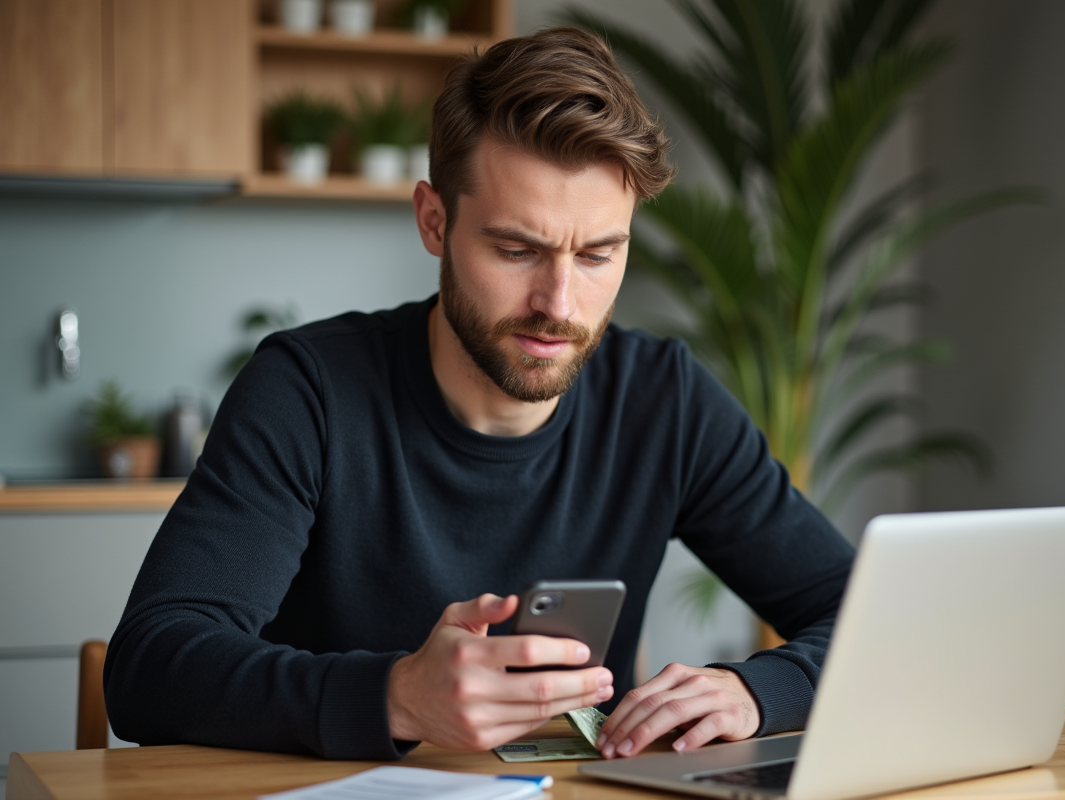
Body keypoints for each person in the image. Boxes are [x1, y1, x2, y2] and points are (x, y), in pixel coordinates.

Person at [104, 27, 854, 762]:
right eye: (515, 250)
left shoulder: (666, 400)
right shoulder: (308, 391)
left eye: (598, 254)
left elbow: (869, 617)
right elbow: (151, 668)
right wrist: (396, 695)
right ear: (435, 221)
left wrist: (759, 691)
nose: (559, 302)